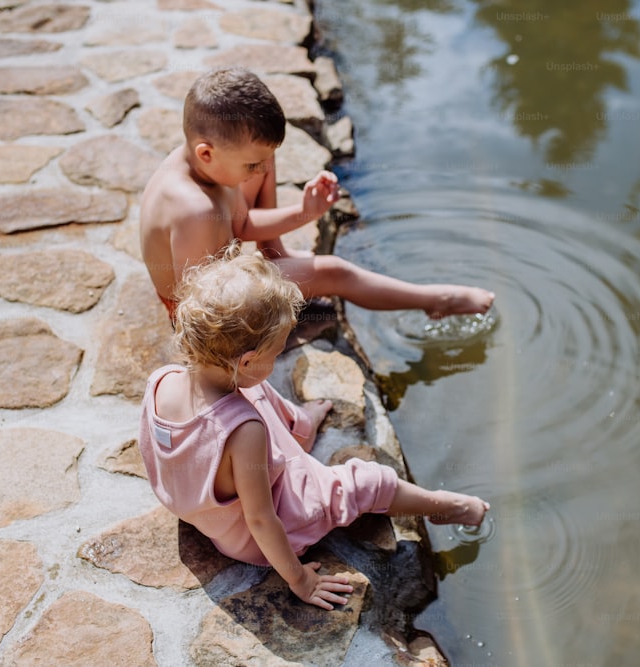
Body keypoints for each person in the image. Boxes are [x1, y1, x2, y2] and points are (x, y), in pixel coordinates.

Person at [137, 248, 490, 610]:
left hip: (200, 509)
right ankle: (442, 506)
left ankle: (300, 426)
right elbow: (261, 519)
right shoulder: (245, 433)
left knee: (251, 388)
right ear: (248, 358)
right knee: (365, 482)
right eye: (275, 354)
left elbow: (186, 439)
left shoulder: (163, 380)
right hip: (249, 537)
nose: (276, 361)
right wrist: (300, 579)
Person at [140, 66, 495, 323]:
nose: (261, 172)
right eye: (252, 167)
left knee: (262, 153)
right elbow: (203, 314)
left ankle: (275, 253)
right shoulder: (195, 210)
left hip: (220, 272)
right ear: (205, 153)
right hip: (211, 304)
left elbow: (242, 224)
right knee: (334, 272)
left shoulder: (210, 161)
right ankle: (437, 299)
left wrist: (305, 212)